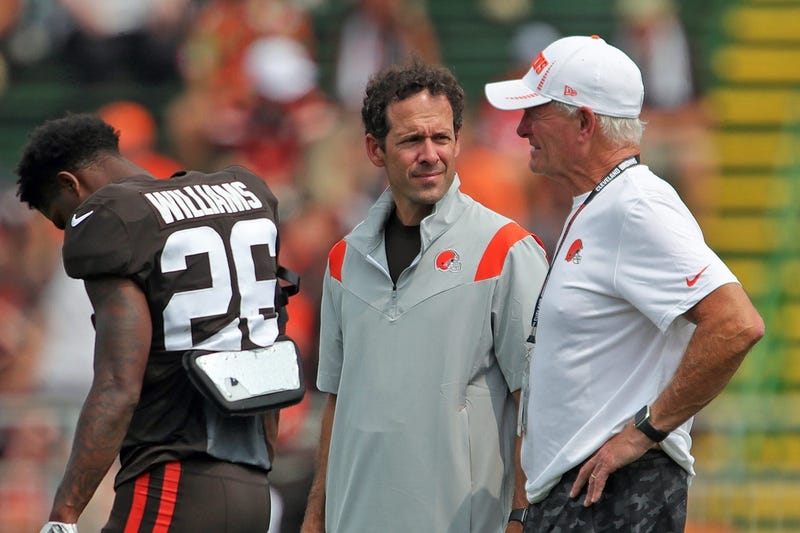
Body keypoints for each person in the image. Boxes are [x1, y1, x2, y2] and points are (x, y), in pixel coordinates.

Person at [484, 35, 765, 531]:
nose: (522, 127)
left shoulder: (636, 205)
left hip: (616, 495)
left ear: (585, 123)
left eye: (537, 112)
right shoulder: (603, 202)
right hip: (589, 496)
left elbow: (736, 323)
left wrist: (644, 432)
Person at [300, 59, 549, 533]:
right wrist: (316, 514)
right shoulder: (341, 261)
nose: (430, 154)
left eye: (442, 138)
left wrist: (522, 516)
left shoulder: (507, 250)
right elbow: (337, 401)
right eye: (412, 140)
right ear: (376, 149)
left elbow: (536, 404)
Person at [16, 113, 291, 532]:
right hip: (253, 488)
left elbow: (117, 382)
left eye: (62, 217)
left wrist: (63, 515)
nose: (68, 228)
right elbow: (267, 352)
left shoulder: (112, 220)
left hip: (172, 482)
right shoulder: (245, 190)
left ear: (71, 184)